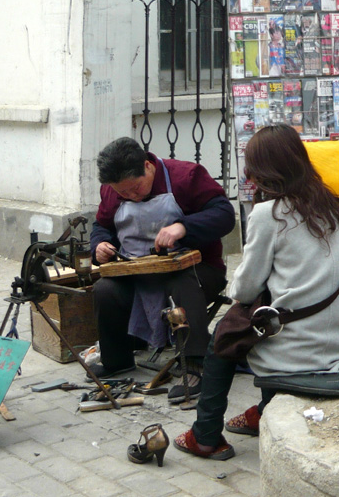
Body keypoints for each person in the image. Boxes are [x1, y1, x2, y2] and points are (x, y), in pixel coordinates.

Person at [174, 124, 339, 460]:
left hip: (300, 349)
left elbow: (245, 288)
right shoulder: (334, 206)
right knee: (263, 322)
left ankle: (205, 435)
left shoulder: (269, 214)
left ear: (262, 172)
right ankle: (265, 411)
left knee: (223, 334)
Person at [90, 137, 236, 403]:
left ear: (148, 166)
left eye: (136, 188)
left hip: (198, 269)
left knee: (181, 284)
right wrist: (100, 245)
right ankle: (117, 361)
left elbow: (225, 214)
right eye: (124, 194)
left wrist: (184, 227)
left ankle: (193, 365)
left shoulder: (186, 177)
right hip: (138, 273)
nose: (132, 196)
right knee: (105, 289)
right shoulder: (113, 190)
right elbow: (102, 227)